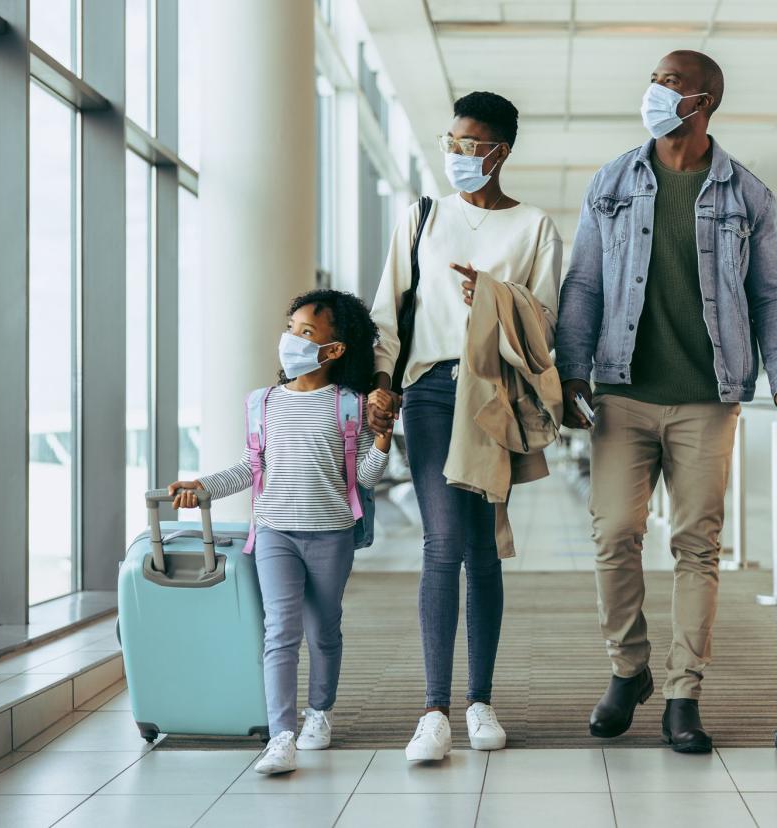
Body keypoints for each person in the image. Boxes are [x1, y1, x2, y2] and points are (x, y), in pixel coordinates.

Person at [555, 50, 777, 753]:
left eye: (670, 81)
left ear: (704, 101)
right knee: (613, 535)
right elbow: (581, 284)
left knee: (697, 546)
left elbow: (772, 293)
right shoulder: (612, 181)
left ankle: (682, 692)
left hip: (708, 397)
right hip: (621, 394)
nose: (655, 90)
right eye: (653, 79)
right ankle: (627, 668)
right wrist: (571, 371)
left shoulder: (745, 194)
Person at [368, 91, 563, 761]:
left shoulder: (534, 226)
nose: (453, 154)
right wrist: (379, 385)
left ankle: (480, 702)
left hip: (494, 396)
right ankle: (433, 712)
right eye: (449, 142)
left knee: (482, 547)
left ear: (499, 151)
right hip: (428, 393)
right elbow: (386, 310)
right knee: (442, 540)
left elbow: (546, 328)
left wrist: (497, 302)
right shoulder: (421, 216)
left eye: (468, 145)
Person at [167, 289, 393, 775]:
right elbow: (251, 469)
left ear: (333, 350)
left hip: (331, 533)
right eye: (290, 328)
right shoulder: (262, 404)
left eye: (305, 333)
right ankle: (281, 735)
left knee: (323, 628)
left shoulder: (349, 406)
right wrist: (202, 486)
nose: (290, 339)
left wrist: (383, 439)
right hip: (274, 534)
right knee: (280, 632)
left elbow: (368, 477)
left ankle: (320, 713)